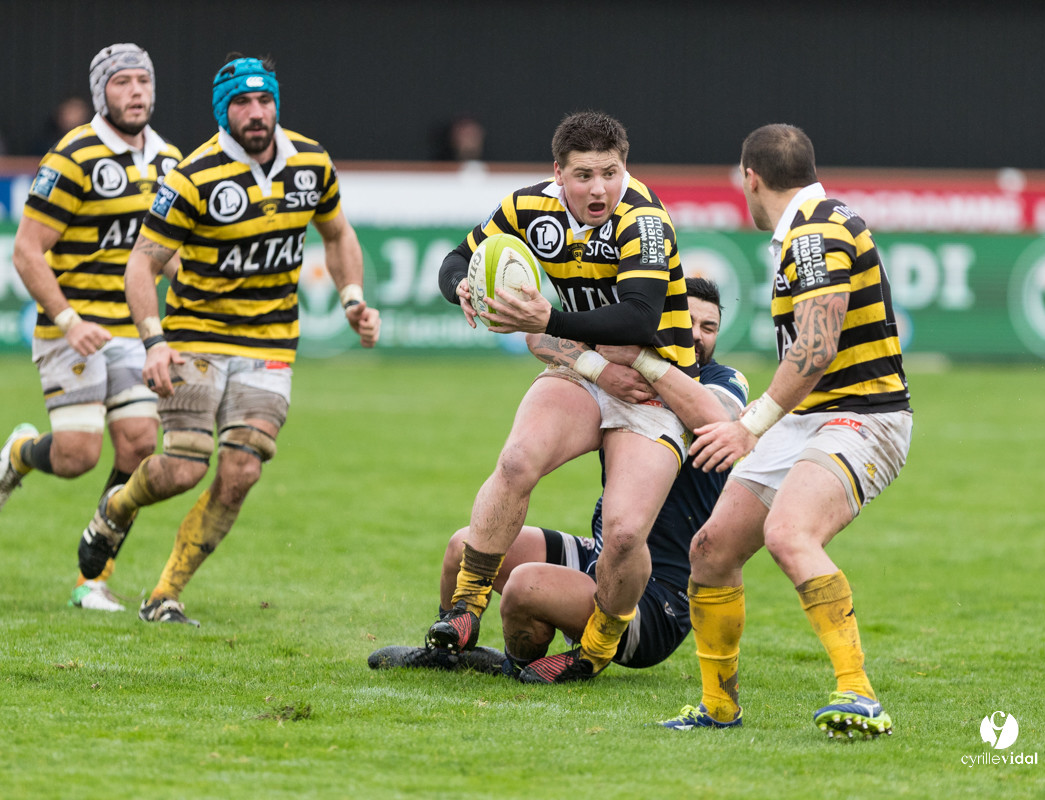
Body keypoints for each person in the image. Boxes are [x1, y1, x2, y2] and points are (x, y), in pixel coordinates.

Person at [72, 52, 381, 627]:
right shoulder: (192, 176)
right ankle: (116, 507)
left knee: (241, 472)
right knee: (185, 468)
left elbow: (337, 234)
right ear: (223, 112)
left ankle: (163, 593)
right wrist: (154, 341)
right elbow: (141, 264)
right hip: (196, 338)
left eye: (265, 101)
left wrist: (353, 298)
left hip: (269, 346)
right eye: (242, 102)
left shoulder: (310, 162)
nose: (257, 112)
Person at [428, 111, 727, 684]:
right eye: (584, 175)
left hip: (651, 386)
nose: (600, 189)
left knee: (621, 533)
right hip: (589, 369)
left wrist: (552, 317)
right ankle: (462, 615)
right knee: (517, 460)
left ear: (625, 167)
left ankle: (592, 653)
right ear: (557, 174)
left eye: (611, 173)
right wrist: (463, 287)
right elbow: (456, 259)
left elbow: (640, 319)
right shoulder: (526, 207)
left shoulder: (643, 216)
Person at [657, 124, 912, 739]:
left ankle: (859, 692)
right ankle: (719, 707)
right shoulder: (814, 225)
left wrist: (750, 424)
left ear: (750, 175)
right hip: (808, 419)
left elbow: (817, 347)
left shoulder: (815, 232)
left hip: (864, 416)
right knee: (711, 550)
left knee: (789, 533)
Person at [371, 279, 749, 678]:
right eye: (686, 321)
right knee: (461, 547)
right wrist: (597, 366)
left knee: (524, 585)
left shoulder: (723, 381)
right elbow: (542, 335)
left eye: (708, 328)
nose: (695, 335)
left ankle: (528, 665)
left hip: (655, 598)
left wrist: (643, 361)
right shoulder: (621, 367)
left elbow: (718, 421)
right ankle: (450, 652)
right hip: (598, 557)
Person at [0, 43, 183, 613]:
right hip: (73, 327)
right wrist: (68, 320)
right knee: (77, 456)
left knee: (141, 447)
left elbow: (174, 252)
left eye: (144, 80)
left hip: (134, 329)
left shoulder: (171, 161)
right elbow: (26, 251)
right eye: (122, 82)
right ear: (102, 93)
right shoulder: (74, 155)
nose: (136, 91)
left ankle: (93, 574)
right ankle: (21, 453)